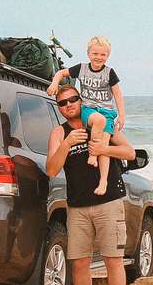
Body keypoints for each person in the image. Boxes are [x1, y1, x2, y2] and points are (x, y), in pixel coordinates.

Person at [46, 86, 137, 285]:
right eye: (63, 103)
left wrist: (102, 150)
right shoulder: (59, 133)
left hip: (109, 202)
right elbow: (52, 170)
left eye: (73, 100)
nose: (69, 105)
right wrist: (66, 145)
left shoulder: (100, 121)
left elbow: (129, 153)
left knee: (113, 260)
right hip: (77, 206)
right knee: (79, 262)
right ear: (60, 108)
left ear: (80, 100)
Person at [46, 36, 125, 195]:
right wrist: (54, 83)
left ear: (107, 56)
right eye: (95, 53)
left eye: (103, 55)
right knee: (99, 120)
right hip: (90, 109)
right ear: (88, 54)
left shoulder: (109, 72)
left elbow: (117, 94)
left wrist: (121, 115)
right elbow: (61, 72)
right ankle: (93, 154)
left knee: (103, 147)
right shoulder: (81, 69)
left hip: (107, 111)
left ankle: (103, 180)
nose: (99, 57)